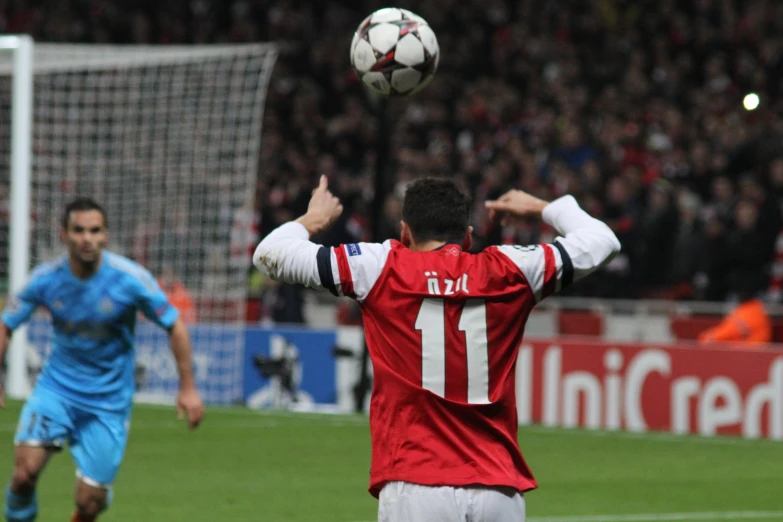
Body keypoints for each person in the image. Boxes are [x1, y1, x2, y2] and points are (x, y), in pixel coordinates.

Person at [253, 175, 620, 521]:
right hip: (498, 490)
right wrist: (544, 208)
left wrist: (312, 219)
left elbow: (270, 253)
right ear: (469, 237)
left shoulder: (379, 267)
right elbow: (602, 241)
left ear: (405, 232)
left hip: (416, 483)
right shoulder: (513, 269)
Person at [0, 198, 204, 522]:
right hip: (56, 391)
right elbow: (6, 324)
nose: (87, 238)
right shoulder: (45, 278)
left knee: (89, 503)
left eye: (95, 231)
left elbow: (175, 326)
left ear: (106, 235)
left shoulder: (130, 279)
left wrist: (188, 388)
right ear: (64, 234)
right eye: (78, 230)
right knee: (23, 474)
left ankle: (97, 494)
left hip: (107, 402)